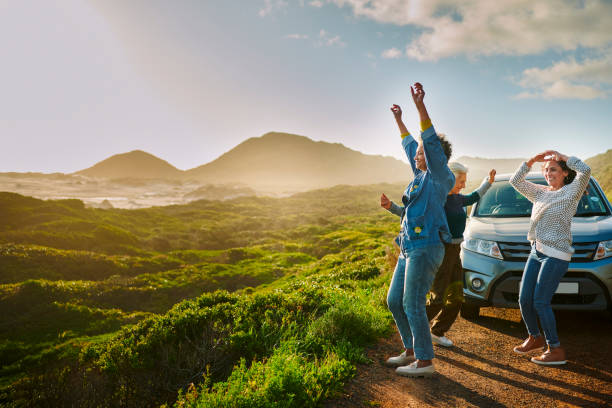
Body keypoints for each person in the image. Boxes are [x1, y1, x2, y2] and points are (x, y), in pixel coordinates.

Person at [380, 83, 455, 377]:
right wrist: (399, 119)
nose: (417, 155)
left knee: (412, 302)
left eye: (422, 153)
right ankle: (410, 349)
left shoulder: (440, 176)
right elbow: (411, 144)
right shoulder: (419, 175)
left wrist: (420, 106)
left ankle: (424, 361)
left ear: (434, 157)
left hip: (426, 248)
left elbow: (428, 143)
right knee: (394, 301)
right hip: (408, 247)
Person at [383, 163, 496, 347]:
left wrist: (488, 182)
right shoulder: (436, 201)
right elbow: (410, 214)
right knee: (438, 298)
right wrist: (391, 207)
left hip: (455, 252)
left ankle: (437, 331)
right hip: (441, 252)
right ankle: (412, 329)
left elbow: (474, 196)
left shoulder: (458, 199)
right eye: (461, 181)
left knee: (457, 296)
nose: (463, 185)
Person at [509, 150, 591, 365]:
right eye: (545, 171)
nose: (548, 173)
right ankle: (534, 337)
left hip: (556, 255)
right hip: (536, 252)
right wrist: (532, 161)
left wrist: (562, 156)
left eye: (553, 169)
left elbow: (585, 169)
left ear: (565, 172)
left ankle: (555, 349)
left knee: (540, 301)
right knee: (524, 298)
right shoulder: (540, 193)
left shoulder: (572, 191)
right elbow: (515, 180)